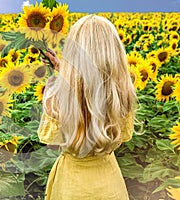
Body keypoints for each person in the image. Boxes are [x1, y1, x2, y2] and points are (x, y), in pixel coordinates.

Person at [37, 14, 137, 200]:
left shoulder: (55, 97)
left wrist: (64, 78)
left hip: (71, 186)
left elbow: (51, 144)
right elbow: (123, 135)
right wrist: (64, 70)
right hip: (108, 184)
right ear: (115, 54)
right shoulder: (122, 94)